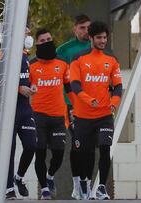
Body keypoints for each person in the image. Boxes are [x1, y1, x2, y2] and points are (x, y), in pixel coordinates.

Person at [70, 21, 122, 200]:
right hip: (83, 116)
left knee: (105, 148)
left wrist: (114, 102)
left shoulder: (112, 60)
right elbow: (75, 86)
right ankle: (84, 182)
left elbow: (118, 87)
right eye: (99, 37)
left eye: (105, 37)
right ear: (91, 38)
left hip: (105, 115)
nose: (103, 41)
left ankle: (101, 187)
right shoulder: (78, 59)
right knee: (85, 153)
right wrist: (88, 99)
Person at [0, 27, 38, 199]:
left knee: (32, 144)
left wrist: (32, 87)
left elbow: (30, 78)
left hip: (25, 108)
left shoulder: (25, 56)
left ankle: (19, 177)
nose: (28, 36)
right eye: (25, 33)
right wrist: (19, 89)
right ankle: (8, 187)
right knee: (8, 150)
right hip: (9, 109)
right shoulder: (2, 55)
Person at [29, 28, 75, 200]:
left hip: (58, 117)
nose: (47, 42)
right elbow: (25, 87)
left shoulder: (62, 63)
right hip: (38, 116)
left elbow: (69, 88)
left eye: (49, 39)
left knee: (58, 153)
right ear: (37, 44)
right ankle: (45, 189)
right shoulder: (31, 65)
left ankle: (49, 177)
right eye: (43, 40)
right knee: (39, 152)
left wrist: (75, 108)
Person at [56, 14, 91, 200]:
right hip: (71, 104)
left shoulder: (96, 47)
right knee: (78, 142)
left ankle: (88, 184)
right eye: (82, 28)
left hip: (93, 105)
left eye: (88, 28)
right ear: (75, 29)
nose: (86, 32)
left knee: (90, 145)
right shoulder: (64, 50)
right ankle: (78, 184)